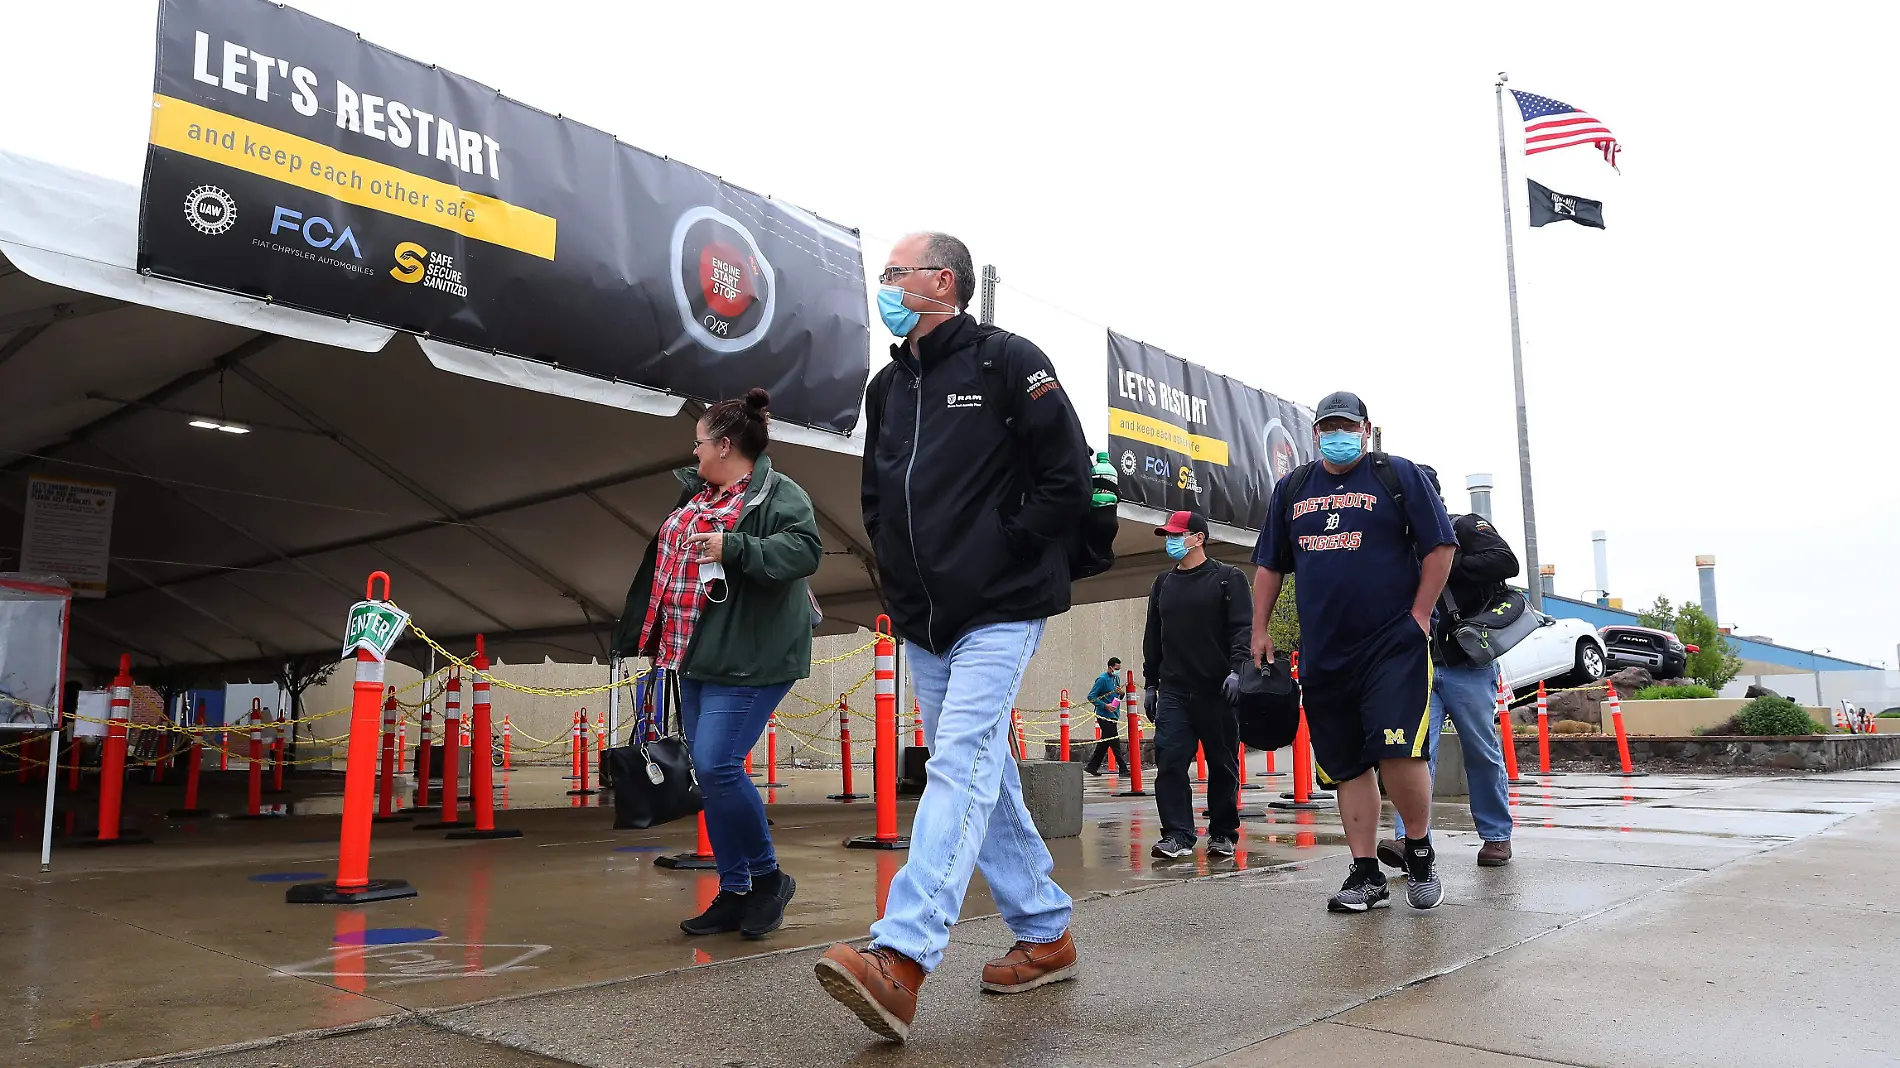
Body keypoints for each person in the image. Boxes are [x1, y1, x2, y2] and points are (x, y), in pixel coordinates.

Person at [816, 232, 1091, 1043]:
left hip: (1001, 606)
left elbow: (1066, 479)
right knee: (982, 771)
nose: (886, 287)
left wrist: (1001, 548)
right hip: (924, 619)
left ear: (942, 281)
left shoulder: (1008, 362)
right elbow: (876, 497)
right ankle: (1045, 931)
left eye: (895, 273)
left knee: (957, 763)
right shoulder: (886, 388)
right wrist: (896, 579)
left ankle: (900, 958)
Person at [611, 389, 821, 940]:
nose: (695, 451)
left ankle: (768, 879)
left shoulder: (778, 494)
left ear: (725, 445)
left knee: (719, 764)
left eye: (700, 442)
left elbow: (804, 552)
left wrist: (735, 549)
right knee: (711, 771)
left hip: (752, 658)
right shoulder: (698, 496)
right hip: (696, 654)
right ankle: (735, 891)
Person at [1249, 391, 1457, 913]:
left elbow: (1441, 546)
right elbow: (1271, 565)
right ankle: (1366, 872)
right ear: (1316, 433)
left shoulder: (1396, 475)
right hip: (1324, 653)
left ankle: (1419, 848)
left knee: (1398, 750)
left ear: (1366, 429)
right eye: (1327, 428)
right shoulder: (1292, 488)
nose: (1336, 436)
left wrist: (1420, 615)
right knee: (1345, 764)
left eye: (1346, 426)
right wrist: (1260, 629)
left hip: (1392, 644)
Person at [1382, 466, 1519, 868]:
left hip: (1467, 661)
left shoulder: (1465, 526)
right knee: (1415, 753)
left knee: (1481, 749)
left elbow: (1505, 561)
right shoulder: (1394, 541)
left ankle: (1496, 836)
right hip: (1415, 663)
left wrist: (1442, 561)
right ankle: (1410, 841)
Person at [1142, 511, 1251, 859]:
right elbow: (1152, 638)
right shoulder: (1163, 584)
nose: (1170, 541)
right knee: (1170, 761)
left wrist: (1238, 670)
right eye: (1168, 535)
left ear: (1198, 537)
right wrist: (1150, 683)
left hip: (1218, 690)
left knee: (1222, 765)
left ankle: (1222, 833)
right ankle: (1177, 834)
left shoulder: (1228, 578)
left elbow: (1241, 629)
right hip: (1174, 690)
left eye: (1177, 534)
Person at [1083, 657, 1128, 775]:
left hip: (1114, 714)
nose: (1118, 671)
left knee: (1104, 743)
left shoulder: (1116, 679)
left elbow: (1118, 696)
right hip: (1104, 715)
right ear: (1110, 667)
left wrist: (1121, 694)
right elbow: (1091, 696)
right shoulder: (1102, 679)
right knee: (1114, 741)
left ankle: (1091, 767)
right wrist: (1104, 705)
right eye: (1116, 668)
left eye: (1119, 669)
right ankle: (1123, 768)